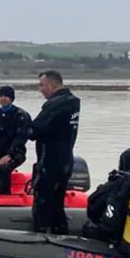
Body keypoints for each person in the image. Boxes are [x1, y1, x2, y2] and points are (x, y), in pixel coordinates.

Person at [30, 70, 81, 234]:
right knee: (58, 202)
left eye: (42, 85)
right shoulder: (73, 102)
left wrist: (20, 128)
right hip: (66, 161)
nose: (40, 89)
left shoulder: (55, 104)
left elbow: (35, 130)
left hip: (50, 163)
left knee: (43, 202)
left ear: (52, 85)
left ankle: (41, 236)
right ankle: (61, 233)